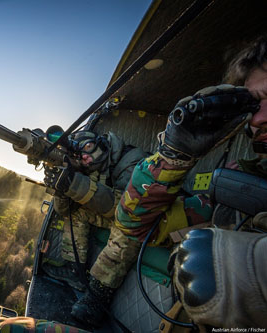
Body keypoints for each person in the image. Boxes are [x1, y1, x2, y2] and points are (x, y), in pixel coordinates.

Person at [114, 35, 267, 328]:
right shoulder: (241, 181)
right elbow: (136, 226)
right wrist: (173, 157)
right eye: (253, 105)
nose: (257, 119)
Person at [41, 130, 148, 295]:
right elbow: (63, 211)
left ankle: (99, 293)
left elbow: (126, 210)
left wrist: (75, 184)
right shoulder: (91, 167)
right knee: (76, 210)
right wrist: (62, 189)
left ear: (102, 143)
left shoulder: (133, 159)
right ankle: (74, 270)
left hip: (140, 221)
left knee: (125, 228)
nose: (84, 157)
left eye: (88, 147)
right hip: (117, 215)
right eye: (79, 154)